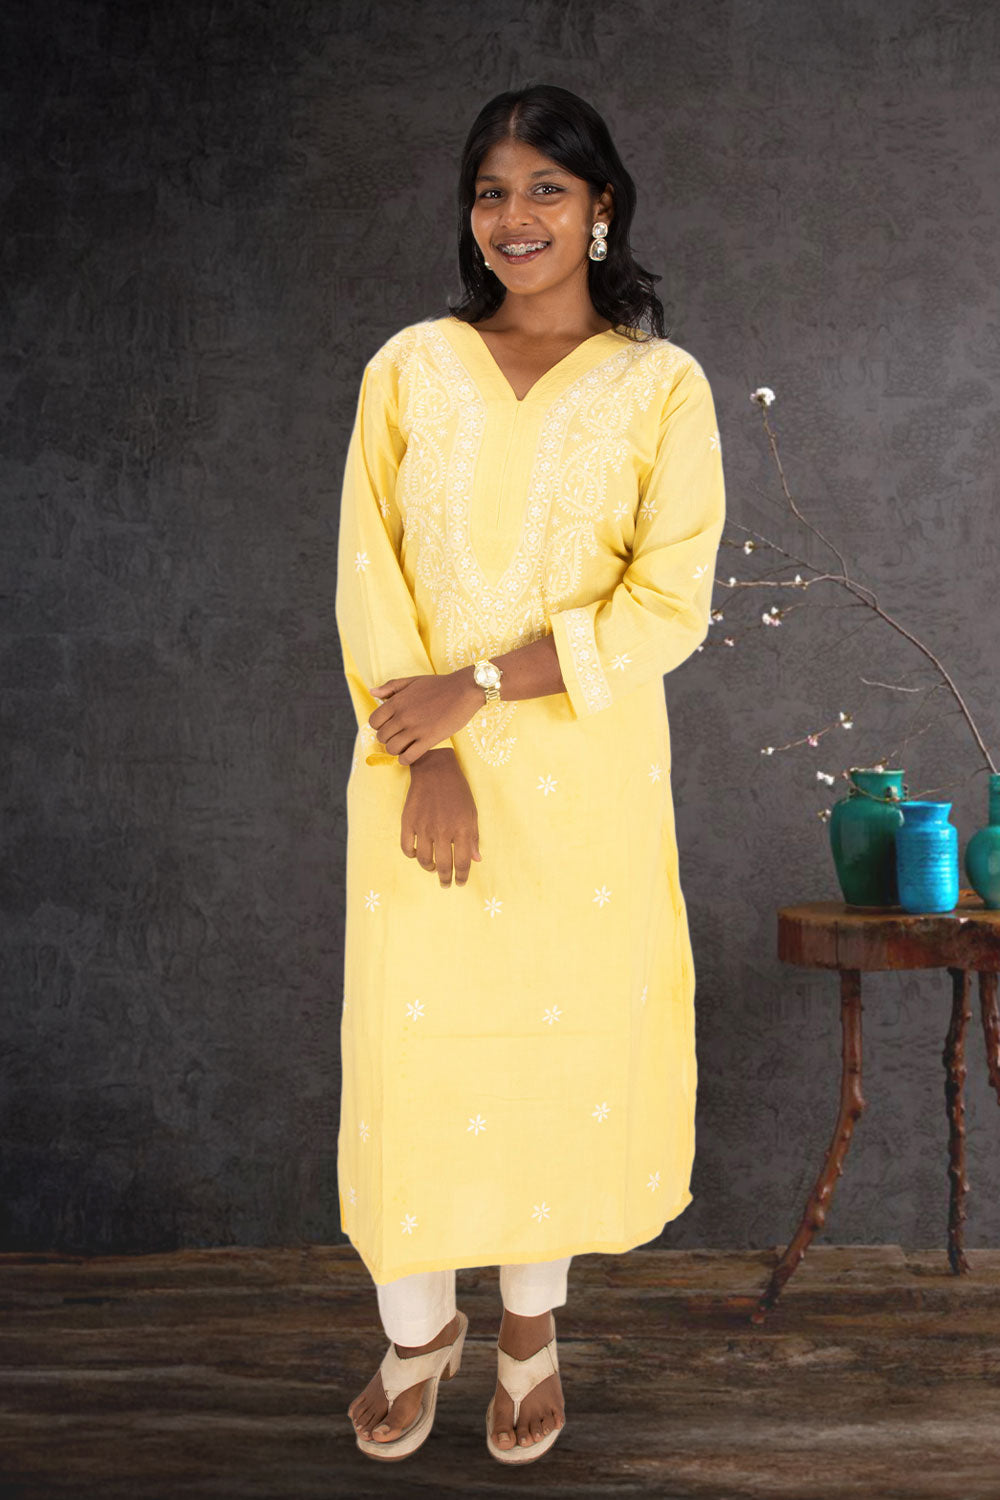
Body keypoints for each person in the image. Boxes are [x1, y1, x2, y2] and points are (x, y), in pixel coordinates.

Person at [337, 83, 726, 1464]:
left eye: (546, 190)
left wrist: (485, 686)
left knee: (559, 1048)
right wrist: (430, 748)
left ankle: (526, 1329)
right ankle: (416, 1331)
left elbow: (667, 606)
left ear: (599, 205)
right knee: (418, 1048)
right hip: (415, 768)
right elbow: (370, 577)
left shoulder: (660, 387)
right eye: (493, 191)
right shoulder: (410, 370)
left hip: (586, 786)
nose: (516, 217)